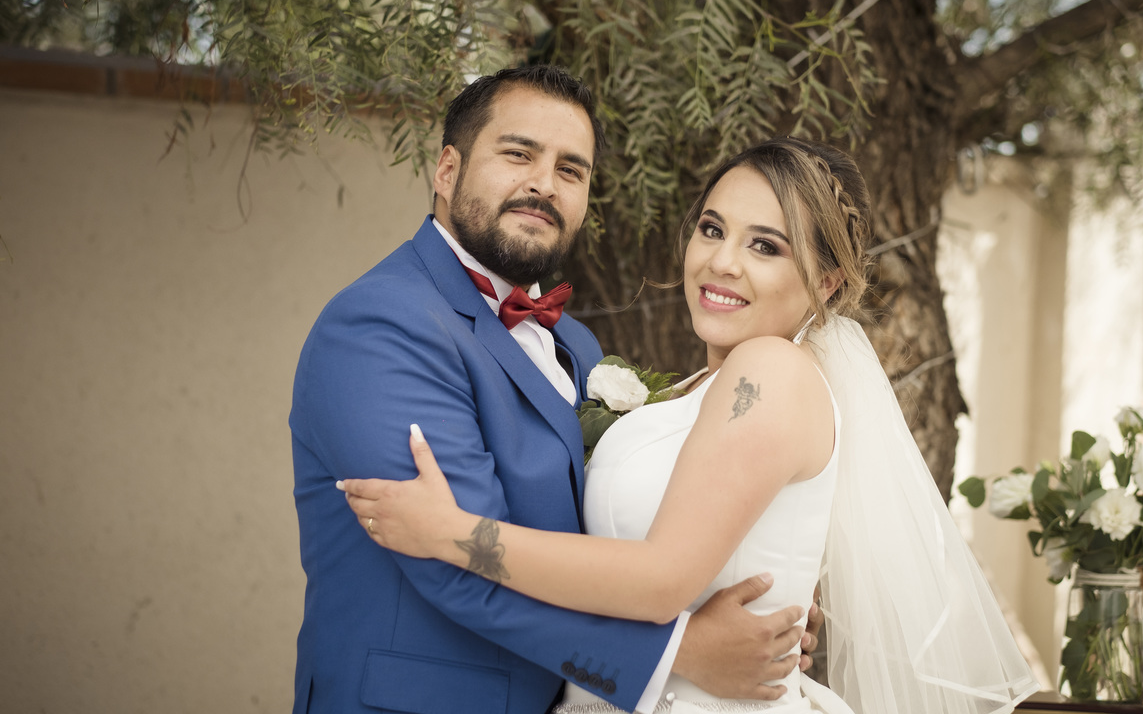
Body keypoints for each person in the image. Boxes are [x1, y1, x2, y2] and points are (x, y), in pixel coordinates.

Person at [340, 138, 1041, 713]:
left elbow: (660, 581)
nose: (721, 261)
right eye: (712, 229)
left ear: (826, 284)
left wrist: (452, 534)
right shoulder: (697, 390)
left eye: (767, 247)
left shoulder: (769, 370)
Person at [289, 66, 819, 714]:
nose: (544, 184)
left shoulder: (575, 344)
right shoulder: (381, 326)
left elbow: (596, 540)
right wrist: (682, 650)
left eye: (572, 170)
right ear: (447, 171)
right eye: (518, 154)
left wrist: (746, 595)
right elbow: (456, 566)